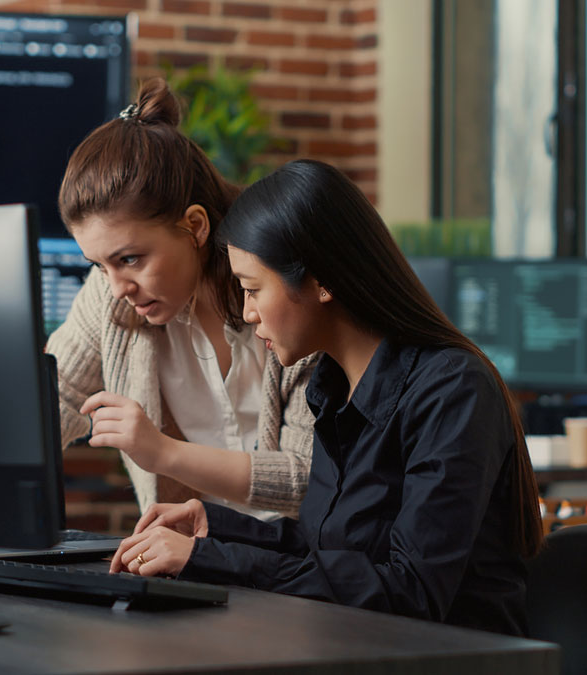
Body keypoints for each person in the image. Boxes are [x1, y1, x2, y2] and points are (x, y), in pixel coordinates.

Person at [109, 159, 544, 636]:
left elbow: (411, 592)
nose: (248, 313)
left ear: (322, 282)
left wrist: (210, 560)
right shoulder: (333, 386)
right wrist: (217, 528)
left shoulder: (452, 390)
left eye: (252, 289)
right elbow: (331, 549)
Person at [46, 78, 317, 520]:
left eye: (130, 258)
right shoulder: (110, 297)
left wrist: (162, 452)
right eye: (99, 265)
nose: (117, 287)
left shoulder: (286, 290)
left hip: (301, 570)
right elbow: (53, 401)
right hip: (194, 565)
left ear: (195, 227)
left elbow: (308, 477)